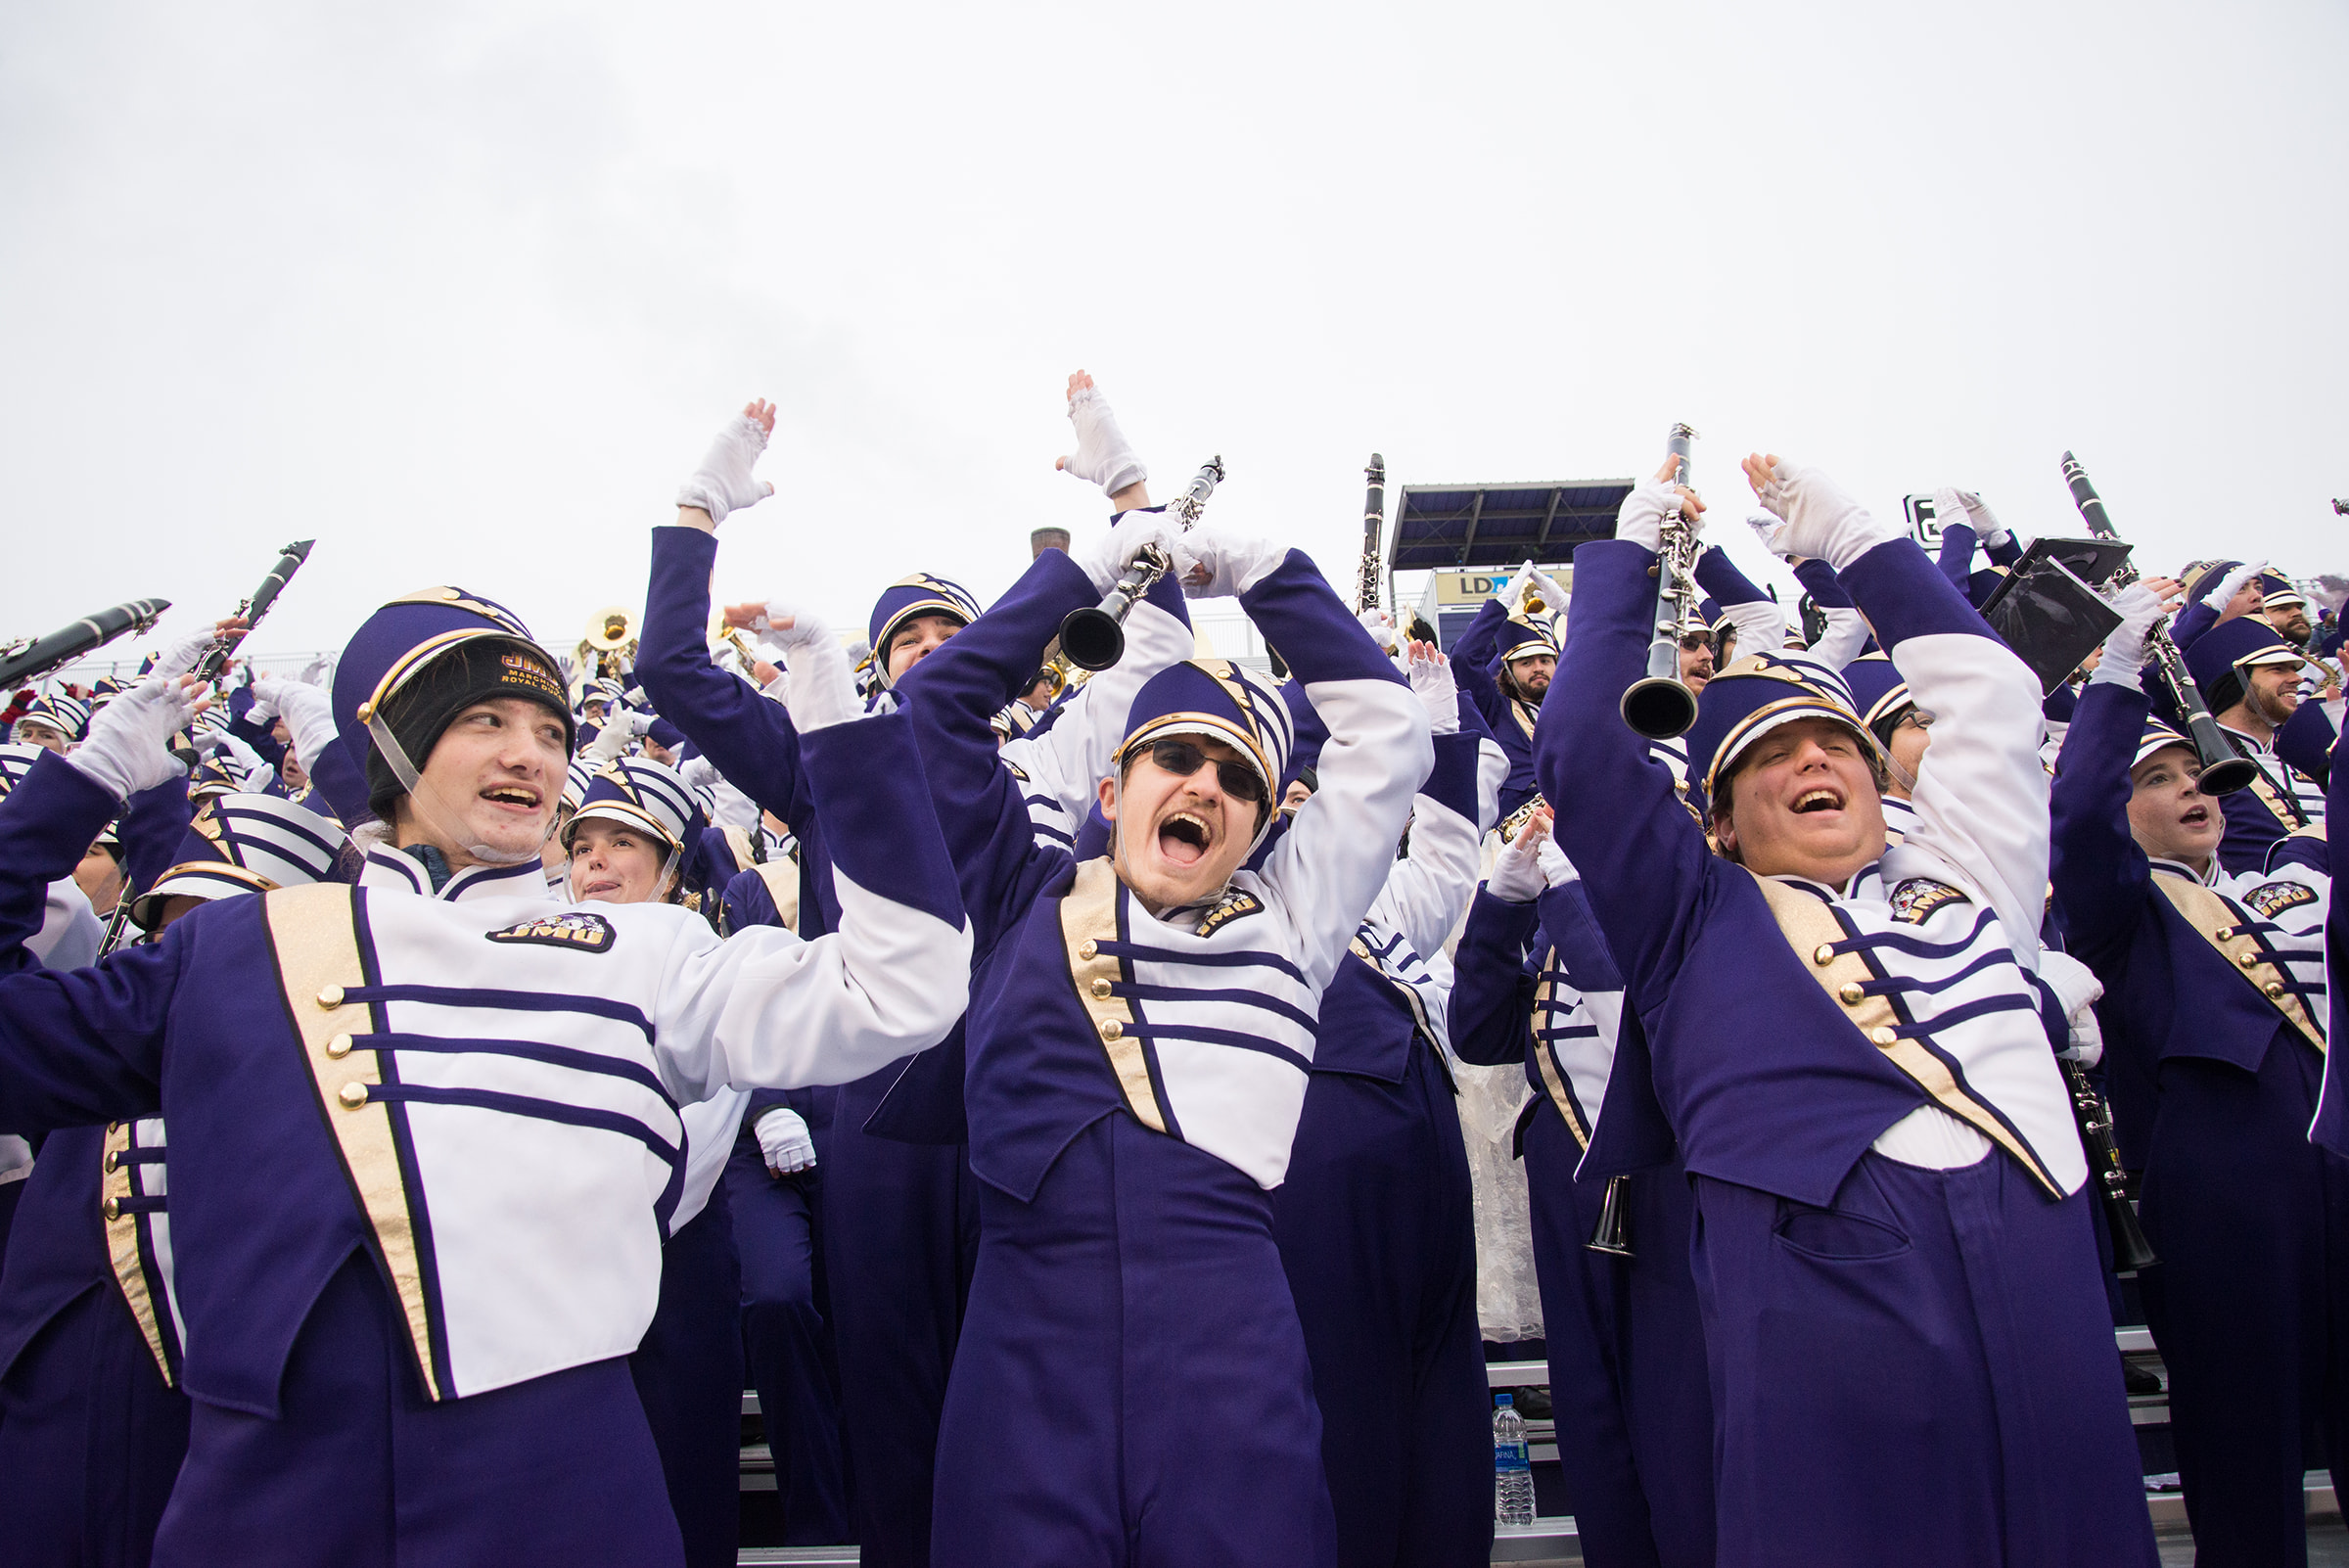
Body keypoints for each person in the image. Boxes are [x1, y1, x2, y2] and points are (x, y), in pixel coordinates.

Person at [0, 558, 968, 1562]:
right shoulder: (242, 949)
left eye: (552, 732)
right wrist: (81, 783)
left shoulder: (643, 953)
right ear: (395, 744)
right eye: (487, 723)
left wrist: (833, 714)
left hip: (564, 1491)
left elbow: (906, 988)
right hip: (274, 1503)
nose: (532, 756)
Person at [1540, 450, 2154, 1566]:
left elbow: (1988, 690)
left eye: (1839, 746)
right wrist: (1632, 560)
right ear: (1719, 820)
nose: (1816, 759)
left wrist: (1856, 540)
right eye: (1771, 757)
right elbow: (1582, 749)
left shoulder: (1971, 869)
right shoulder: (1692, 912)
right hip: (1813, 1278)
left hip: (2037, 1251)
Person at [899, 490, 1431, 1565]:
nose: (1205, 785)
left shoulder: (1298, 917)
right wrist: (1080, 575)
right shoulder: (1022, 889)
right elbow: (938, 705)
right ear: (1112, 786)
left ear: (1268, 817)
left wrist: (1271, 573)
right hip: (1022, 1346)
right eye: (1177, 759)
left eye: (1238, 779)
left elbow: (1389, 728)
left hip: (1229, 1340)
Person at [2051, 587, 2342, 1566]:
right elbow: (2081, 819)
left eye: (2196, 772)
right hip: (2220, 1192)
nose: (2191, 789)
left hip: (2325, 1171)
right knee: (2244, 1442)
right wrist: (2122, 676)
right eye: (2160, 778)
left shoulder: (2266, 896)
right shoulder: (2121, 912)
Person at [0, 788, 345, 1568]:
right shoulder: (97, 1044)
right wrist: (77, 787)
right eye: (172, 921)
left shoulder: (341, 1091)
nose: (186, 948)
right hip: (60, 1446)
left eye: (224, 929)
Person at [1266, 649, 1499, 1568]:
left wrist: (1437, 714)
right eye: (1289, 790)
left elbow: (1447, 854)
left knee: (1445, 1407)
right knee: (1348, 1411)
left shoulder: (1378, 898)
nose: (1305, 810)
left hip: (1429, 1156)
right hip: (1324, 1157)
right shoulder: (1245, 910)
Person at [1450, 807, 1717, 1568]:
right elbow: (1478, 1029)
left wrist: (1570, 886)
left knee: (1680, 1421)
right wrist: (1503, 908)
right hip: (1569, 1184)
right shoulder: (1565, 925)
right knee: (1592, 1416)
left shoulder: (1689, 919)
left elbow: (1634, 1008)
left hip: (1665, 1186)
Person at [2186, 616, 2327, 871]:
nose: (2297, 679)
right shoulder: (2197, 765)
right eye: (2278, 668)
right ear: (2237, 680)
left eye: (2294, 669)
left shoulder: (2306, 753)